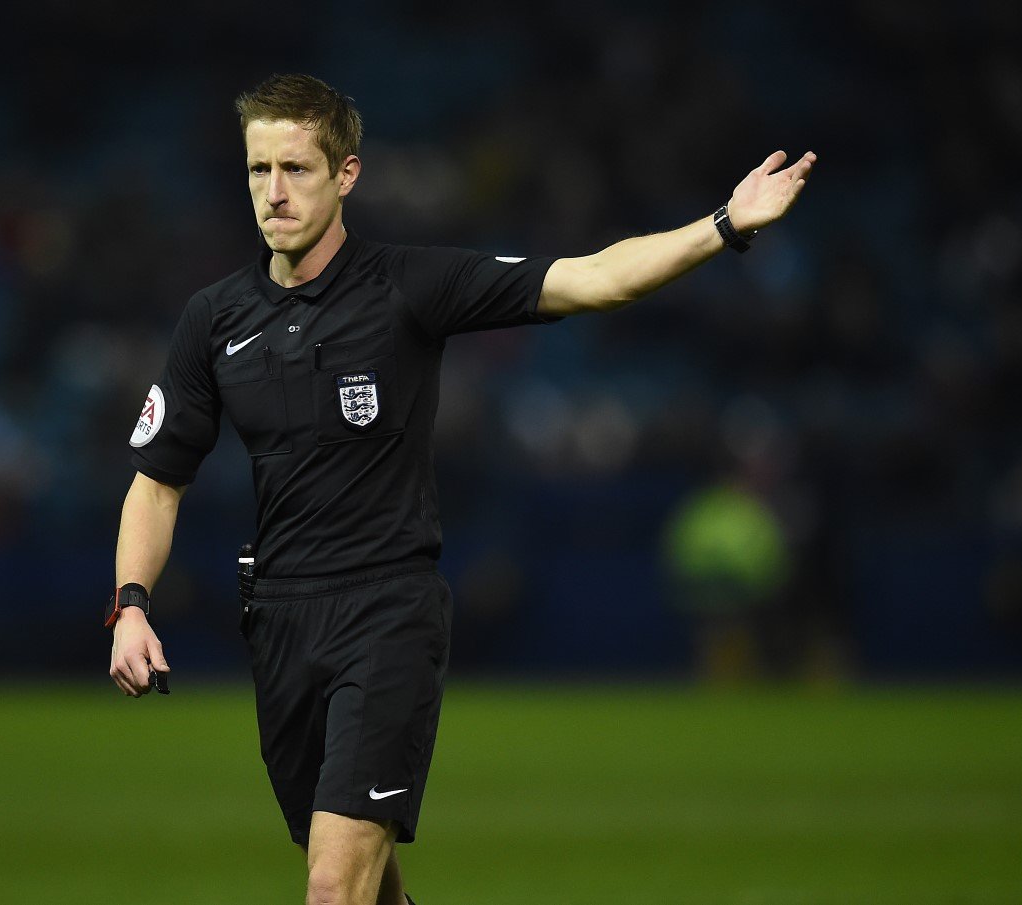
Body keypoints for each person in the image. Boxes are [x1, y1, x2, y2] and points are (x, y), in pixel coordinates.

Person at [106, 72, 816, 905]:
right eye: (259, 169)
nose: (275, 191)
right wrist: (132, 605)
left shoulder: (408, 285)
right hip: (279, 621)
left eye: (296, 168)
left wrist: (723, 225)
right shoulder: (215, 318)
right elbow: (156, 483)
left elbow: (595, 278)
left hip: (386, 613)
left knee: (332, 888)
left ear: (346, 174)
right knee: (369, 890)